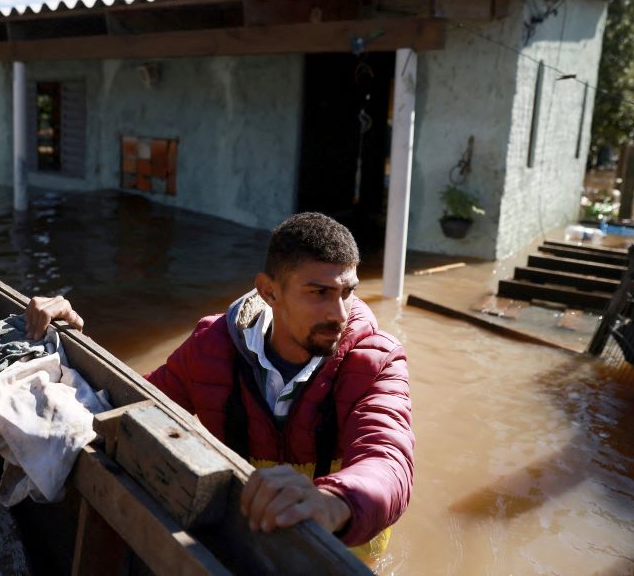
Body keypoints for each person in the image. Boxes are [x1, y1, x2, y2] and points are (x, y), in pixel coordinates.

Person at [25, 212, 413, 560]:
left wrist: (331, 502)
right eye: (319, 293)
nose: (339, 313)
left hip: (340, 552)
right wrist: (69, 340)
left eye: (348, 291)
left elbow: (389, 461)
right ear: (269, 292)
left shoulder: (376, 360)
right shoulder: (212, 348)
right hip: (244, 543)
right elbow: (128, 404)